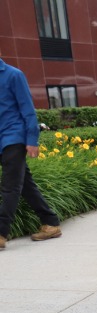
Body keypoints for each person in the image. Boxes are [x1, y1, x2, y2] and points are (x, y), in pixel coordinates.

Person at [0, 57, 61, 249]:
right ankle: (50, 222)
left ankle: (1, 232)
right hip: (1, 139)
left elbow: (28, 109)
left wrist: (32, 139)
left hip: (14, 137)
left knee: (10, 186)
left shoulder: (13, 75)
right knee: (25, 183)